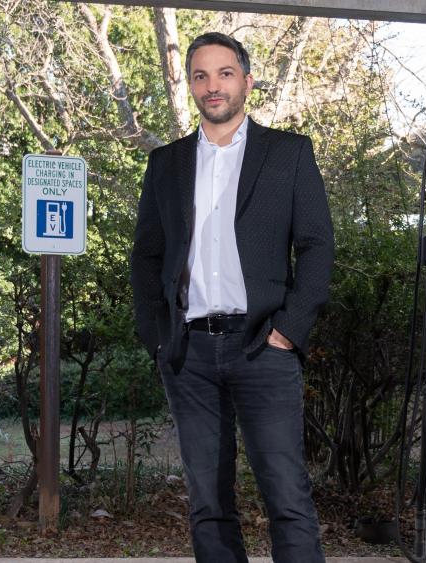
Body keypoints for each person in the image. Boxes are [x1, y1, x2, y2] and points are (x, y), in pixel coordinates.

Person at [130, 32, 334, 563]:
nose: (212, 85)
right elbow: (147, 256)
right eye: (200, 75)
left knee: (286, 497)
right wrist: (158, 338)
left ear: (245, 80)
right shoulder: (166, 164)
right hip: (189, 354)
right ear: (191, 86)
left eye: (224, 73)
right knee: (207, 504)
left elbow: (317, 246)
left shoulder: (288, 153)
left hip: (263, 346)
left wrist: (288, 331)